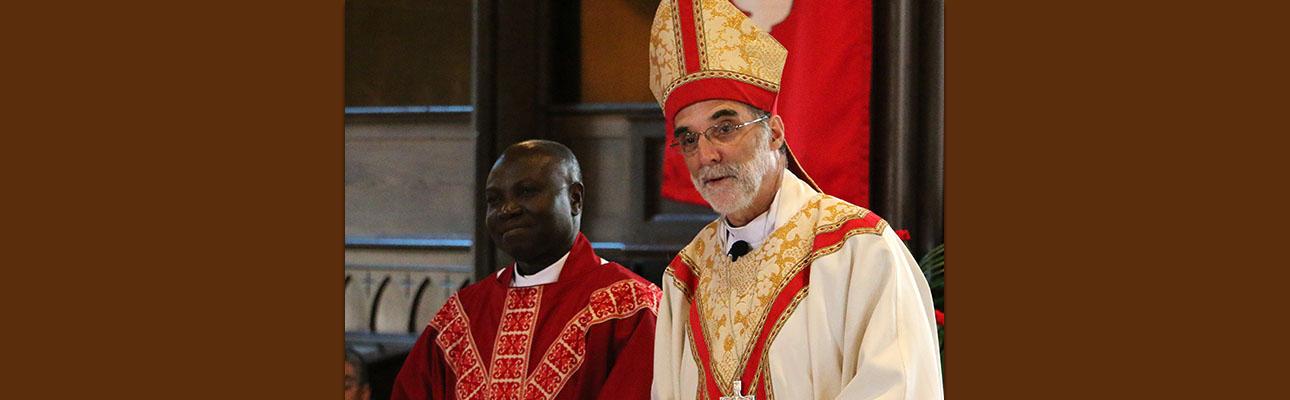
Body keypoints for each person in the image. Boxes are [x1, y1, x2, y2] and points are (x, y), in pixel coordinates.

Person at [647, 0, 944, 398]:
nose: (706, 155)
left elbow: (899, 387)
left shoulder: (859, 250)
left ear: (774, 133)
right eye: (688, 138)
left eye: (725, 127)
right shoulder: (686, 277)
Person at [392, 140, 661, 400]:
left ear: (575, 199)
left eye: (527, 192)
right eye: (494, 200)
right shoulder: (462, 315)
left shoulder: (631, 306)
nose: (507, 209)